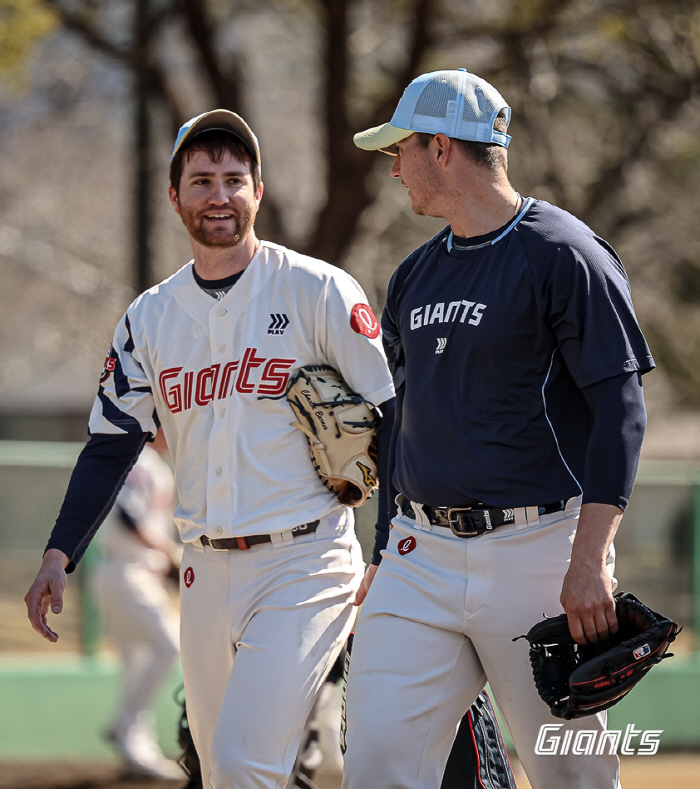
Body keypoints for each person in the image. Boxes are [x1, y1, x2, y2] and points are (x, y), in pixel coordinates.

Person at [24, 109, 395, 789]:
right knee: (221, 772)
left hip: (305, 559)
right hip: (202, 569)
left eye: (233, 179)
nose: (218, 195)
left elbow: (391, 416)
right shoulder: (150, 317)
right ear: (175, 197)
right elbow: (111, 446)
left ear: (258, 190)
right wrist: (59, 553)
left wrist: (391, 543)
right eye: (201, 181)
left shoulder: (316, 288)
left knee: (245, 762)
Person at [343, 69, 653, 789]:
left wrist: (589, 559)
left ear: (441, 147)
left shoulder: (565, 253)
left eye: (400, 149)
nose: (394, 169)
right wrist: (384, 549)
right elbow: (401, 423)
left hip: (538, 552)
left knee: (572, 775)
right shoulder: (415, 275)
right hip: (419, 555)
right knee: (378, 764)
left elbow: (621, 411)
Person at [92, 430, 183, 780]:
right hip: (128, 571)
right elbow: (126, 516)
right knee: (169, 645)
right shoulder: (138, 460)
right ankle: (125, 724)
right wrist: (169, 552)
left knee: (137, 663)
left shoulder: (154, 463)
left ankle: (137, 747)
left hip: (133, 571)